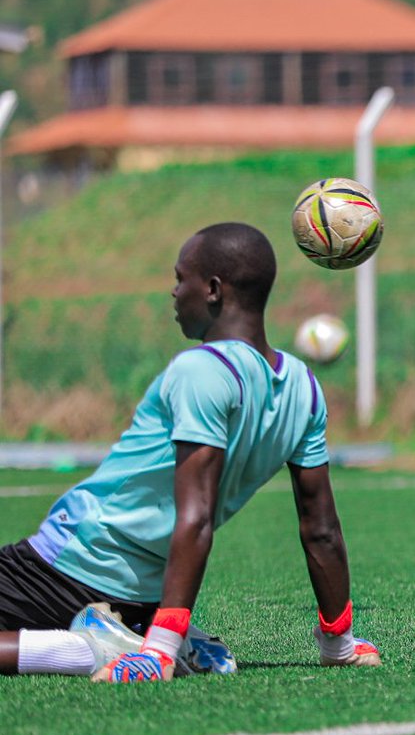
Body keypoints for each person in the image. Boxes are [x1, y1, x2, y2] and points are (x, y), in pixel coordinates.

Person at [0, 222, 381, 681]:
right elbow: (321, 529)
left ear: (214, 290)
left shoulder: (201, 370)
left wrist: (161, 651)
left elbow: (195, 515)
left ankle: (97, 650)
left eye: (182, 279)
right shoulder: (304, 388)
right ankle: (135, 630)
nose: (175, 292)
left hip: (69, 567)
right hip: (146, 592)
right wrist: (339, 643)